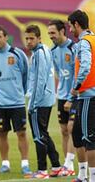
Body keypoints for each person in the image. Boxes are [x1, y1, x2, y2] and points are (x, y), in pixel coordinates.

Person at [0, 25, 32, 175]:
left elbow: (26, 76)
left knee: (21, 133)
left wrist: (19, 92)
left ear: (6, 37)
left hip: (17, 102)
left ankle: (25, 164)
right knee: (2, 133)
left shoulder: (18, 54)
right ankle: (5, 164)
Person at [24, 25, 61, 179]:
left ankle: (42, 170)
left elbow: (39, 80)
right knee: (44, 133)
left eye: (31, 38)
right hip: (47, 98)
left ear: (39, 38)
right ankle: (57, 165)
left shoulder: (38, 54)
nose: (28, 41)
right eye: (26, 38)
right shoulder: (45, 50)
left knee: (38, 136)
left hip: (39, 101)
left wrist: (33, 103)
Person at [68, 9, 95, 182]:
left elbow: (85, 65)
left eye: (70, 26)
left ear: (77, 24)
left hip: (88, 95)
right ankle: (82, 175)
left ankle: (92, 178)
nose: (70, 30)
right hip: (87, 96)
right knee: (76, 133)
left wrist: (77, 87)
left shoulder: (84, 43)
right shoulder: (93, 38)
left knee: (88, 137)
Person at [48, 19, 77, 176]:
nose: (51, 36)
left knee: (72, 128)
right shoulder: (52, 51)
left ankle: (69, 164)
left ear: (62, 32)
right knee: (64, 130)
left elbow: (78, 74)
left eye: (53, 33)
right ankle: (68, 167)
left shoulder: (74, 48)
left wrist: (71, 97)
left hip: (75, 96)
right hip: (62, 96)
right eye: (49, 33)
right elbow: (59, 74)